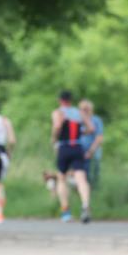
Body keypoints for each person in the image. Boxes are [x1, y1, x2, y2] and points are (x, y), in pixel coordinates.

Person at [51, 90, 93, 223]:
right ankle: (85, 205)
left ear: (60, 100)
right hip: (78, 146)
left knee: (61, 178)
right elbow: (91, 128)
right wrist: (81, 132)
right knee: (81, 178)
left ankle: (65, 211)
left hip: (64, 146)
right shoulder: (79, 112)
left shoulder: (58, 112)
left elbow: (57, 126)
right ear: (71, 100)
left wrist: (54, 138)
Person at [78, 100, 105, 189]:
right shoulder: (77, 121)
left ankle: (93, 188)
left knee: (94, 168)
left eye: (87, 109)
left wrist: (91, 151)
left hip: (93, 149)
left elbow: (99, 137)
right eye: (82, 109)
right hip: (79, 149)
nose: (85, 111)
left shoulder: (96, 120)